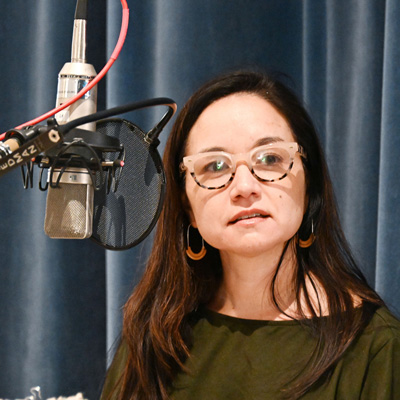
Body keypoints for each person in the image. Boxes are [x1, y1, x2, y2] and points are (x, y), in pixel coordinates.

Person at [101, 70, 400, 400]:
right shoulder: (154, 332)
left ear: (309, 183)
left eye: (270, 159)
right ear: (186, 205)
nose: (244, 187)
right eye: (215, 166)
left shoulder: (376, 345)